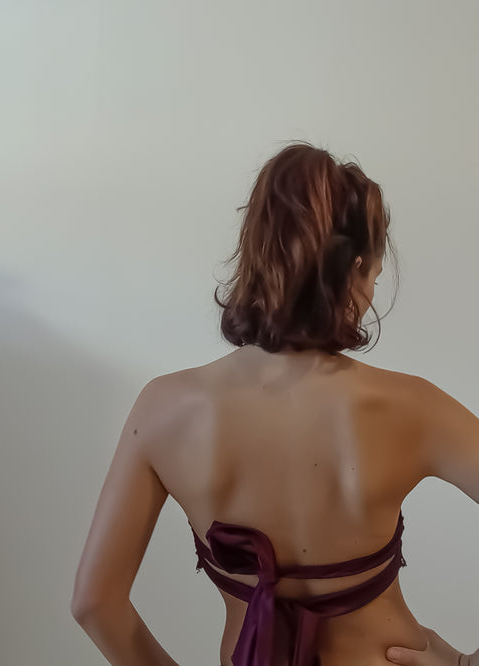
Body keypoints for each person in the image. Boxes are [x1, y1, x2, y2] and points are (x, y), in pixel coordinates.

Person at [71, 141, 478, 666]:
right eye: (375, 276)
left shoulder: (163, 409)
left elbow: (94, 604)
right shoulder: (413, 407)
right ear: (356, 267)